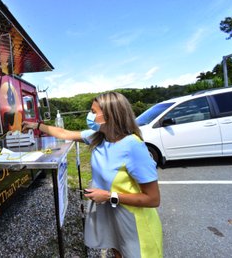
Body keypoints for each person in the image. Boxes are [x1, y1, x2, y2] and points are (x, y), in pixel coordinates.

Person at [22, 91, 162, 258]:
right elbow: (64, 133)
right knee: (117, 251)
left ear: (110, 115)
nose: (90, 115)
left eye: (94, 112)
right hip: (114, 216)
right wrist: (36, 125)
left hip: (135, 224)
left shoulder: (133, 146)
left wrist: (109, 196)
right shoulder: (98, 137)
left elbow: (153, 199)